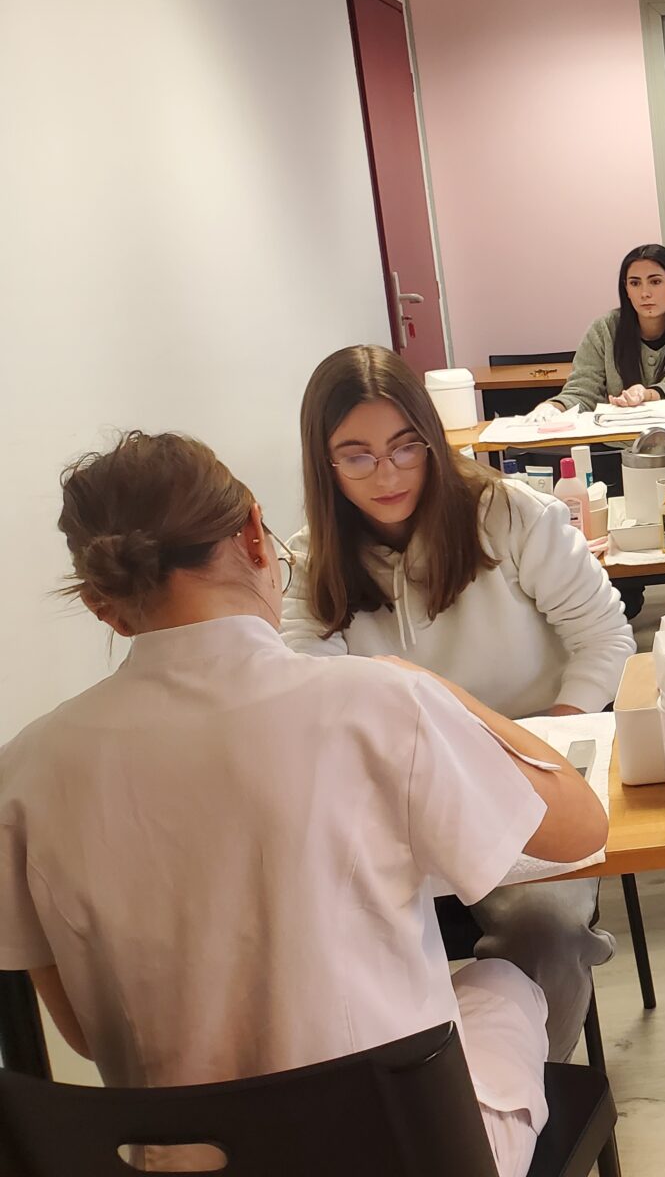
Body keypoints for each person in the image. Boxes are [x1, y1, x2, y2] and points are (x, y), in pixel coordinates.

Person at [0, 432, 607, 1177]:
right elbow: (580, 829)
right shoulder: (377, 703)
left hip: (178, 1160)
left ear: (104, 606)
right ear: (255, 534)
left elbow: (84, 1032)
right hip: (399, 1156)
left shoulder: (24, 771)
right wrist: (433, 687)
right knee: (504, 985)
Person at [283, 345, 632, 1060]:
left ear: (432, 440)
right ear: (323, 463)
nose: (388, 474)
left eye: (405, 446)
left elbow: (604, 637)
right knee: (310, 937)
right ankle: (414, 1103)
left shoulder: (510, 516)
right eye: (356, 456)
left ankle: (526, 1099)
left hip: (526, 785)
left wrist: (552, 736)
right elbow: (306, 692)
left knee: (544, 929)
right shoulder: (309, 559)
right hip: (394, 806)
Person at [542, 243, 665, 413]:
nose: (645, 293)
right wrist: (552, 407)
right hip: (617, 430)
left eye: (655, 282)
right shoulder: (604, 329)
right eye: (635, 283)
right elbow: (582, 390)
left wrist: (646, 395)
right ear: (626, 289)